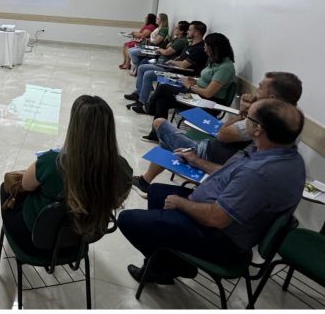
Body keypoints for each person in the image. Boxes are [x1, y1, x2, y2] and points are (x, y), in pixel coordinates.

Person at [119, 99, 306, 285]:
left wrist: (181, 203)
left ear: (258, 129)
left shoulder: (259, 173)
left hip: (220, 239)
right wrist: (195, 160)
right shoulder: (280, 154)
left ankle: (173, 263)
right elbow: (231, 174)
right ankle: (163, 264)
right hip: (215, 213)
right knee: (156, 191)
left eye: (248, 117)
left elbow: (216, 218)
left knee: (127, 219)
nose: (244, 119)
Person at [0, 95, 133, 258]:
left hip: (34, 241)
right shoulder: (123, 169)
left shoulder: (52, 162)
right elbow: (116, 201)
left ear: (74, 127)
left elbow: (26, 185)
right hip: (80, 241)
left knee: (6, 188)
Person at [132, 71, 303, 195]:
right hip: (222, 157)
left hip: (209, 156)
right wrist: (244, 112)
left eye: (260, 88)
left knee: (160, 123)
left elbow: (221, 134)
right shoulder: (292, 120)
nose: (256, 90)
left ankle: (146, 181)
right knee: (169, 136)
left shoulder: (262, 120)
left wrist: (243, 112)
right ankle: (148, 179)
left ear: (271, 97)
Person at [141, 32, 236, 142]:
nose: (204, 49)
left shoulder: (225, 67)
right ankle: (156, 134)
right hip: (198, 96)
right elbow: (207, 80)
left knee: (163, 88)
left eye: (206, 47)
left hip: (208, 103)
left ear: (214, 48)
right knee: (162, 101)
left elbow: (208, 93)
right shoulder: (215, 62)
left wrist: (189, 86)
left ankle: (149, 107)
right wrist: (195, 80)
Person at [124, 21, 209, 113]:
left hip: (181, 75)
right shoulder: (191, 45)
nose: (187, 31)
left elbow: (184, 65)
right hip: (173, 69)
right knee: (142, 67)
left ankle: (142, 103)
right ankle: (138, 94)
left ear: (197, 33)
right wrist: (172, 62)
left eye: (190, 30)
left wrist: (172, 61)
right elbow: (180, 58)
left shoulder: (199, 49)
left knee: (149, 74)